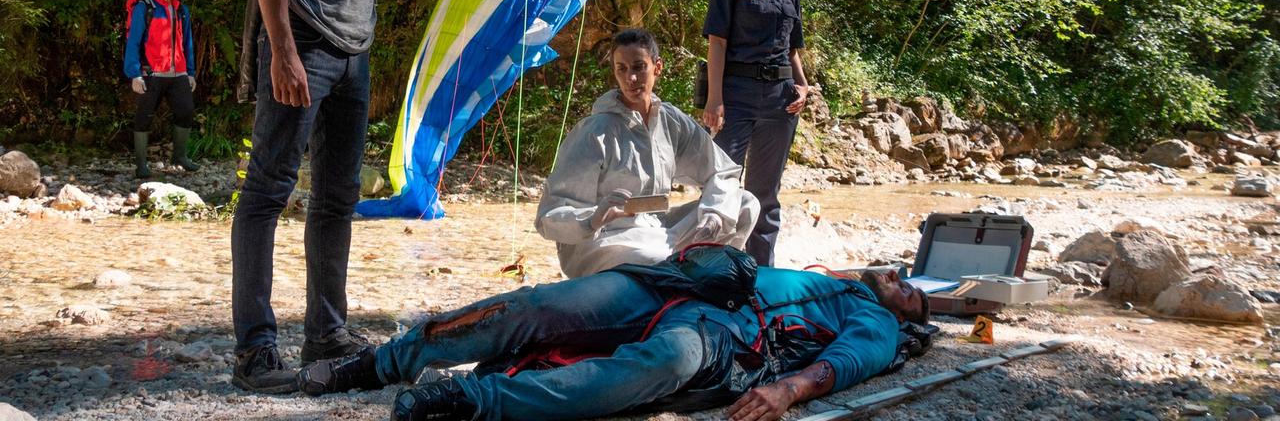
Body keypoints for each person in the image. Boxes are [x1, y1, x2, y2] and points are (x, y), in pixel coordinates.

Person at [230, 0, 408, 393]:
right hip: (302, 42)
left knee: (337, 199)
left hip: (355, 52)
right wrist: (280, 50)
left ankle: (326, 331)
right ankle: (254, 350)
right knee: (268, 191)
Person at [295, 251, 930, 421]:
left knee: (657, 365)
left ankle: (471, 402)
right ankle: (377, 364)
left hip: (723, 332)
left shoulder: (873, 322)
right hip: (669, 284)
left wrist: (789, 391)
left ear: (903, 316)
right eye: (900, 274)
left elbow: (845, 365)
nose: (897, 279)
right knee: (534, 307)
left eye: (908, 290)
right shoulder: (835, 276)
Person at [535, 28, 759, 277]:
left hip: (658, 230)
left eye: (639, 67)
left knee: (745, 205)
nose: (630, 78)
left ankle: (713, 278)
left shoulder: (671, 120)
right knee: (658, 259)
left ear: (657, 67)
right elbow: (548, 215)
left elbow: (722, 170)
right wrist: (592, 219)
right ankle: (682, 273)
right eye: (622, 68)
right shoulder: (594, 131)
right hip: (607, 240)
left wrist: (715, 215)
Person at [702, 0, 809, 267]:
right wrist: (714, 100)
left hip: (781, 101)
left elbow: (792, 47)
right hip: (736, 95)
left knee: (765, 193)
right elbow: (716, 42)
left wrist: (804, 84)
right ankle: (714, 269)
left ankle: (762, 274)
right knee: (721, 186)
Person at [123, 0, 199, 178]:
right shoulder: (145, 8)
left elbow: (188, 43)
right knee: (144, 117)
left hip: (178, 74)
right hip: (152, 74)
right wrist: (134, 74)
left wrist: (190, 72)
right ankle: (141, 165)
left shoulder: (181, 10)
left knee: (186, 113)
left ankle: (180, 157)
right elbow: (134, 41)